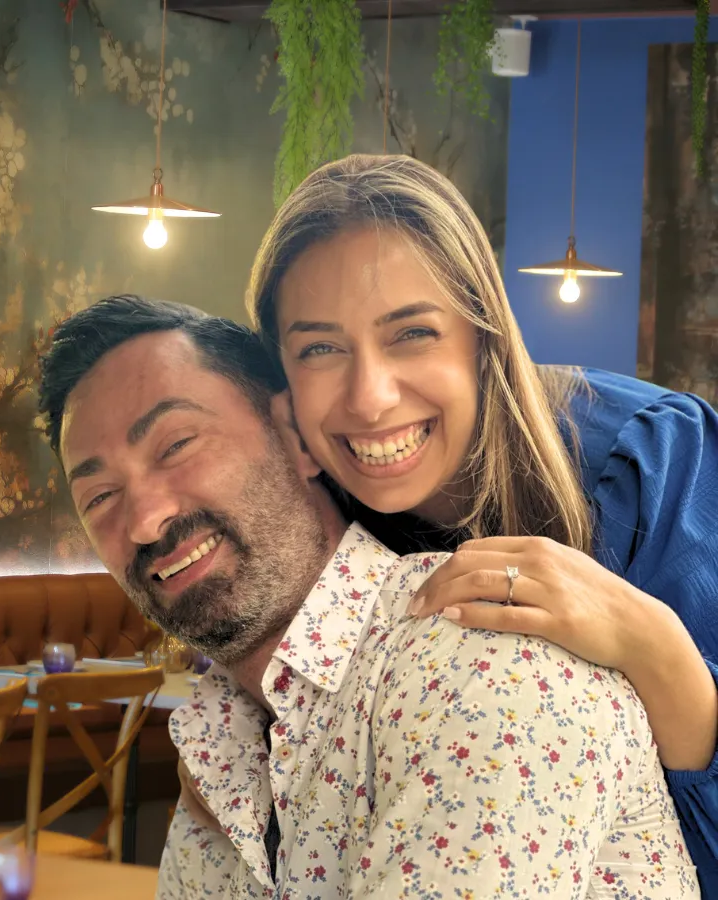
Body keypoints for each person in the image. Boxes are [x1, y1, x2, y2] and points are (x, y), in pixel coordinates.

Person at [37, 294, 698, 899]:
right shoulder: (223, 738)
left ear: (297, 437)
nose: (145, 521)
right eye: (100, 497)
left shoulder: (480, 662)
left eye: (176, 445)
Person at [245, 153, 718, 894]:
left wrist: (649, 644)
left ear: (483, 334)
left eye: (411, 334)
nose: (369, 398)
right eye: (321, 349)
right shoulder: (319, 545)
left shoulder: (653, 463)